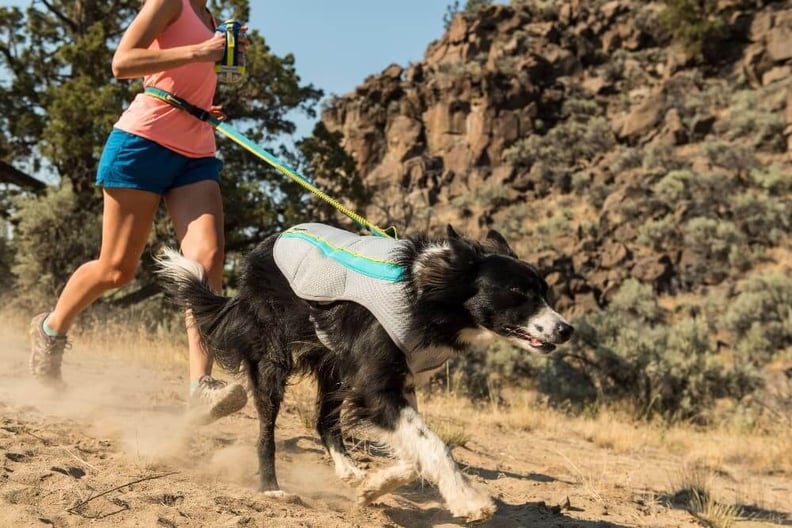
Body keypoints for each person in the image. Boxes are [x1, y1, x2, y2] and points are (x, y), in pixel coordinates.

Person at [29, 0, 247, 423]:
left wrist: (202, 102)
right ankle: (50, 329)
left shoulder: (212, 19)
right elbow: (123, 62)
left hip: (196, 149)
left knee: (207, 260)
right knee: (116, 270)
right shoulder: (170, 3)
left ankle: (200, 386)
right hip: (142, 143)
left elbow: (179, 78)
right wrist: (200, 53)